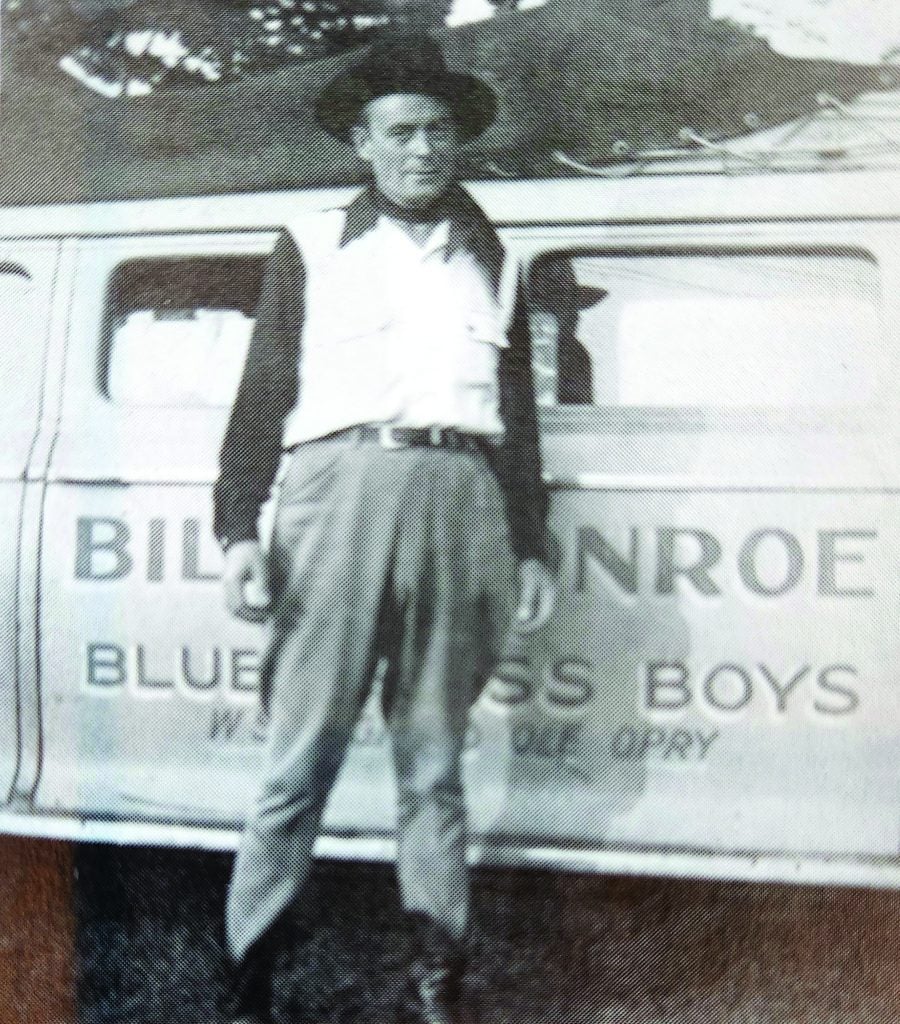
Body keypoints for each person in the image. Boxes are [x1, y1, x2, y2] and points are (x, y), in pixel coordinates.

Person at [212, 31, 556, 1024]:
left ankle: (436, 979)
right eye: (401, 131)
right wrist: (239, 529)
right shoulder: (311, 243)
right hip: (338, 490)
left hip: (462, 493)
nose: (423, 149)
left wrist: (530, 542)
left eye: (439, 130)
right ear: (362, 141)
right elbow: (261, 397)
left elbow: (518, 419)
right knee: (301, 749)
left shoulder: (496, 250)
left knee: (435, 753)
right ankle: (250, 978)